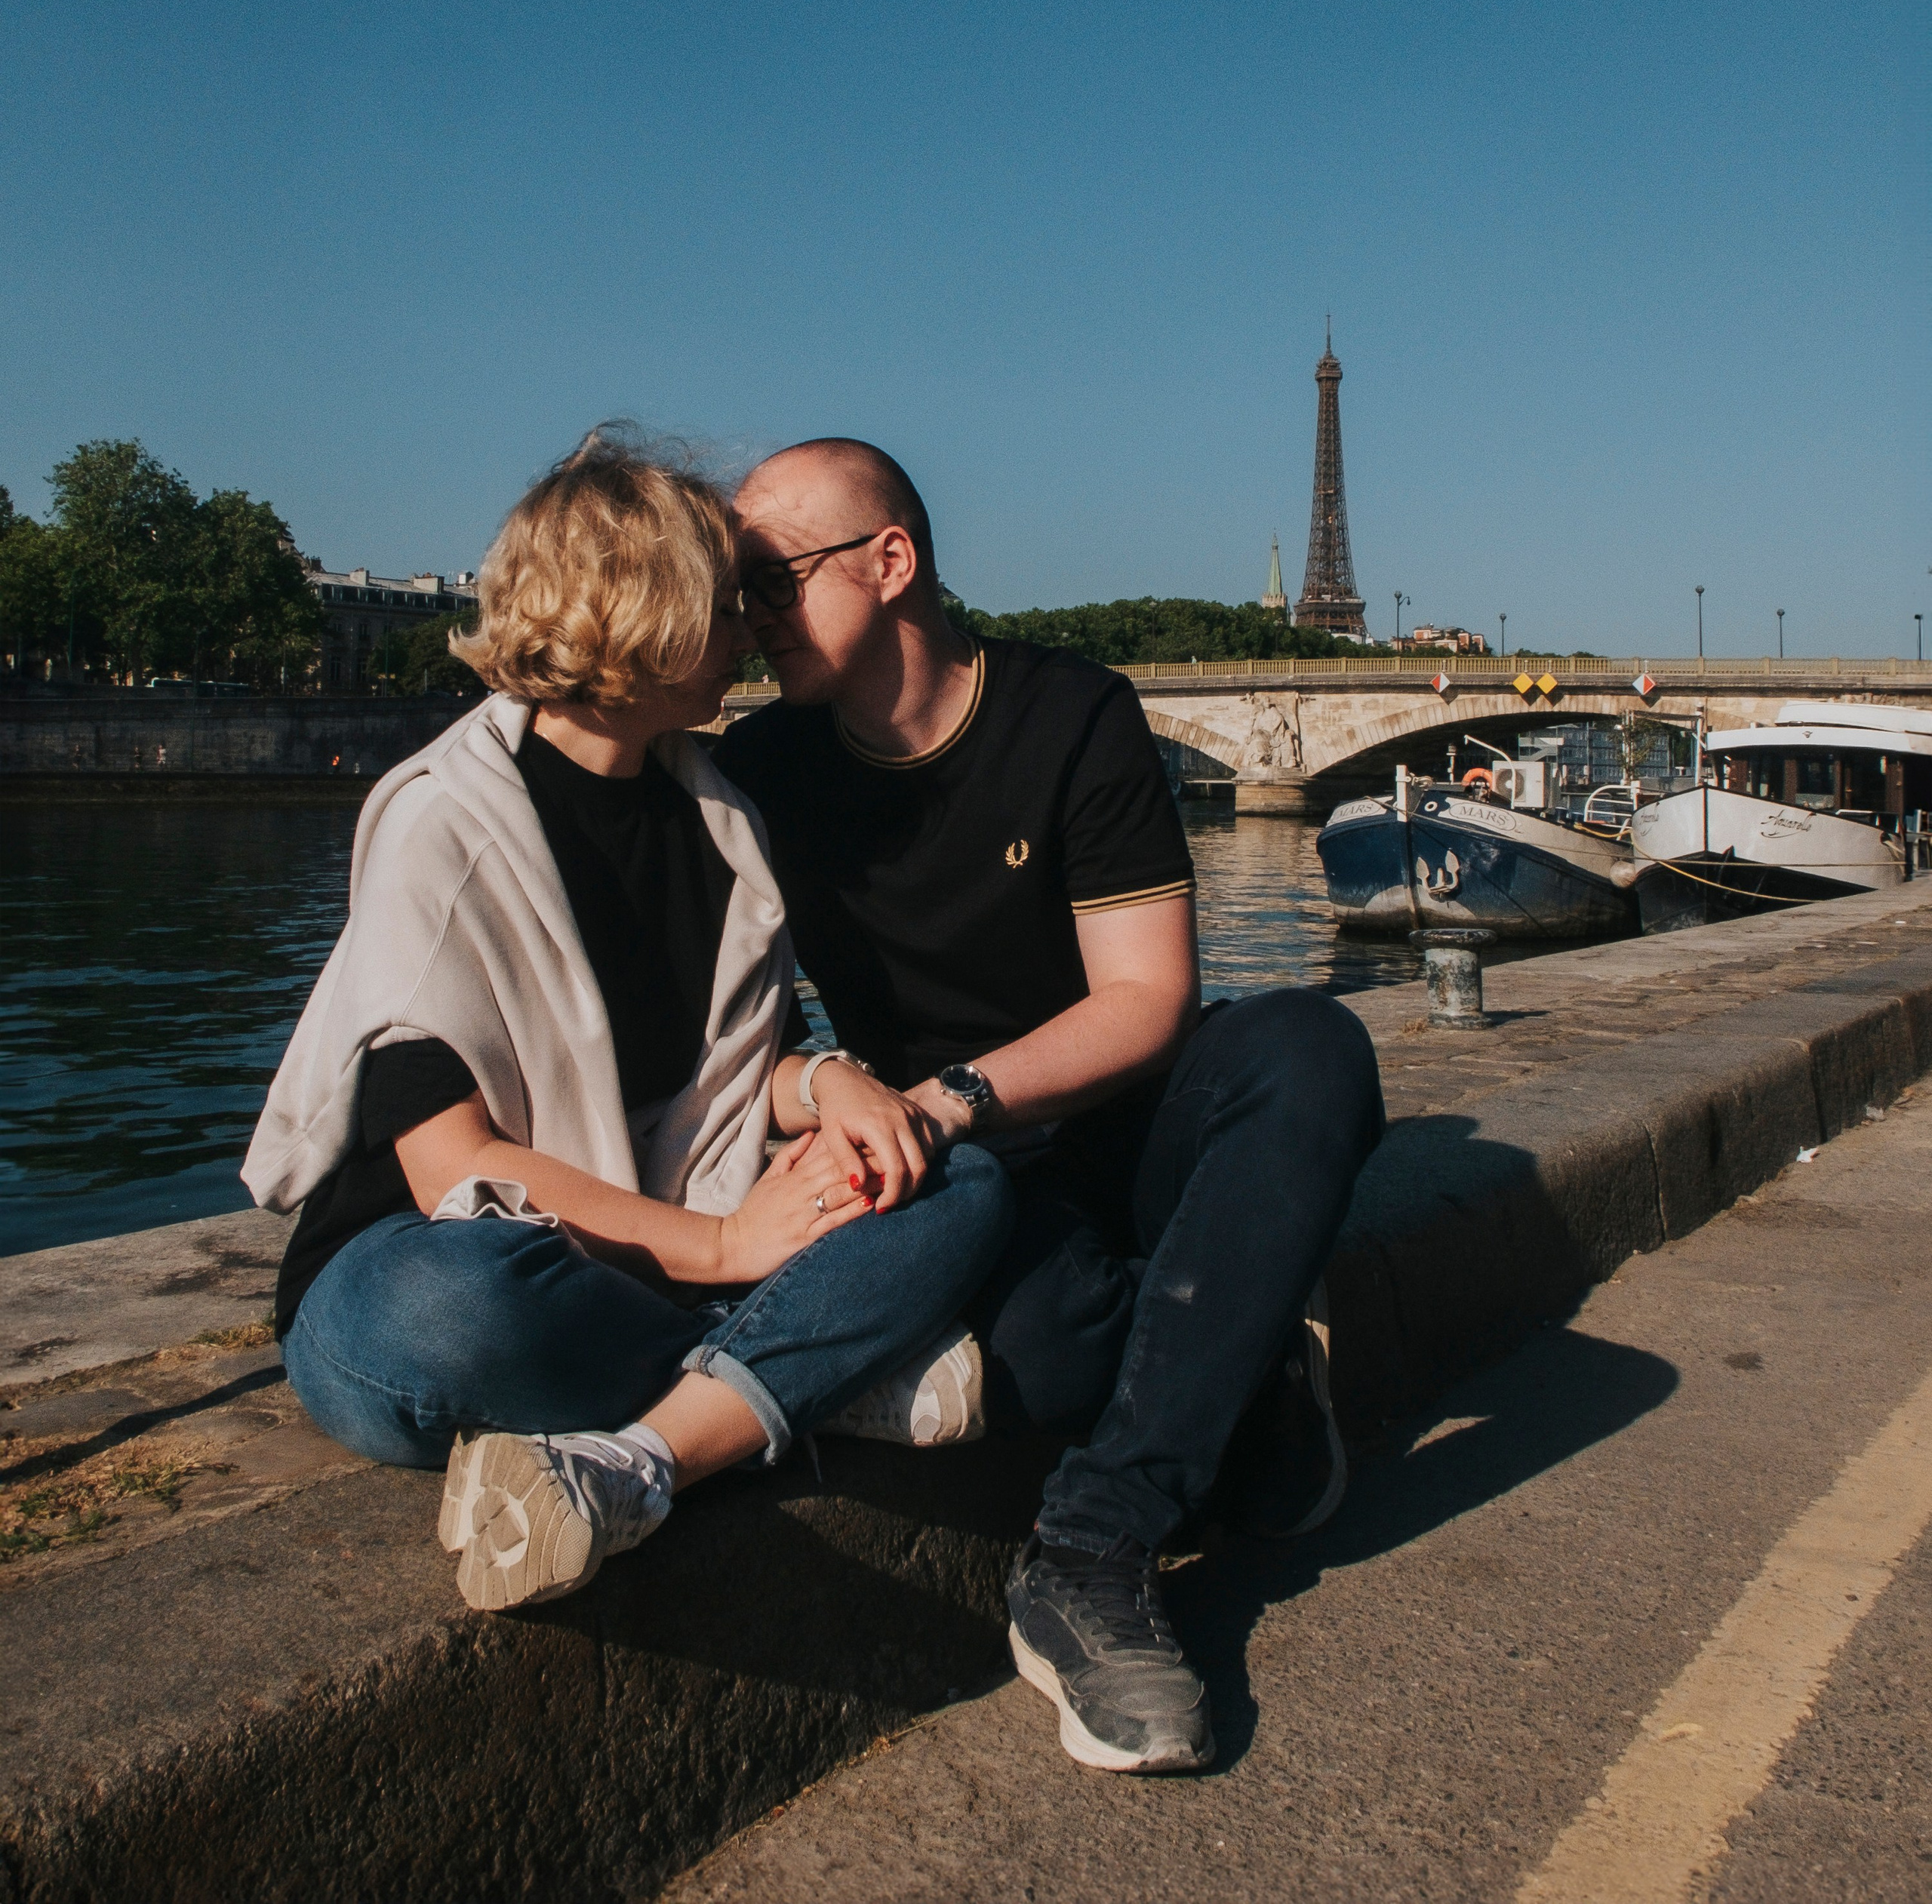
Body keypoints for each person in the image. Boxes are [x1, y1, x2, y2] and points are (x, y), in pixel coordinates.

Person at [244, 429, 1013, 1613]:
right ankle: (801, 1368)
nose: (752, 624)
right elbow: (457, 1169)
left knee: (957, 1180)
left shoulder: (722, 822)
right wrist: (721, 1251)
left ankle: (657, 1438)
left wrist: (835, 1088)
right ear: (642, 613)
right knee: (464, 1298)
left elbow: (735, 1071)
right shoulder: (441, 827)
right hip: (422, 1266)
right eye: (727, 597)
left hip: (643, 1274)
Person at [718, 439, 1385, 1775]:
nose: (751, 618)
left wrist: (953, 1097)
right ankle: (1246, 1356)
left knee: (1311, 1046)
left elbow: (1146, 1000)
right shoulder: (765, 766)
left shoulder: (1074, 711)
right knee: (1042, 1355)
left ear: (890, 562)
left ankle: (1091, 1546)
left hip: (1110, 1122)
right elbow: (724, 1021)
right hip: (967, 1181)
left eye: (773, 581)